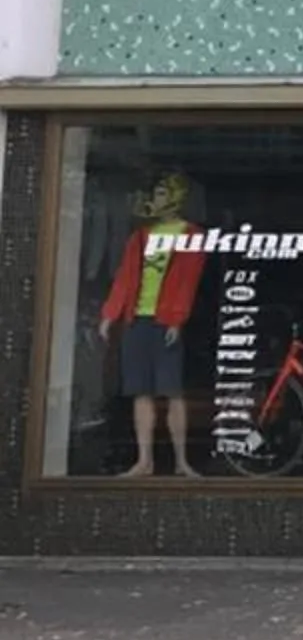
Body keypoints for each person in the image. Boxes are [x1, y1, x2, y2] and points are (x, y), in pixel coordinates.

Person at [98, 172, 206, 477]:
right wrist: (110, 314)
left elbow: (188, 282)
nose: (154, 200)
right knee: (140, 391)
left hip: (165, 321)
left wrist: (176, 319)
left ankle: (182, 461)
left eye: (160, 194)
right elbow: (125, 278)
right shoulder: (141, 236)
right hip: (138, 319)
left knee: (172, 391)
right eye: (155, 193)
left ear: (174, 197)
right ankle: (144, 460)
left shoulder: (191, 234)